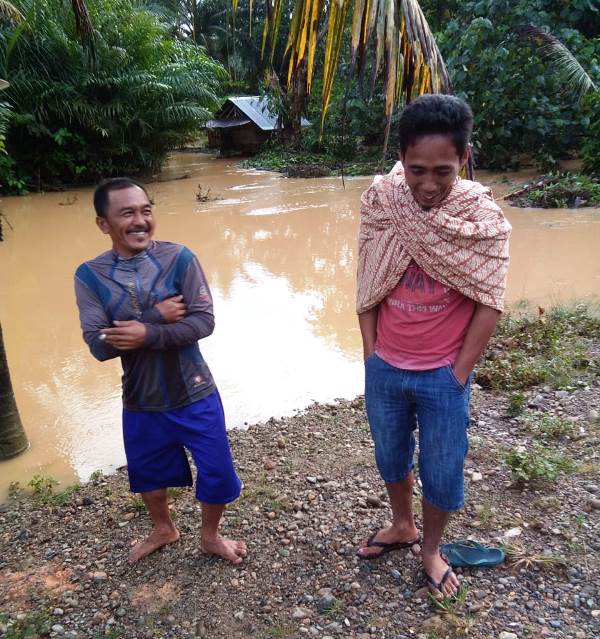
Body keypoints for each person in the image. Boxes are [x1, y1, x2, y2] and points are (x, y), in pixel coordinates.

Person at [355, 94, 511, 597]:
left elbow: (489, 299)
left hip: (443, 374)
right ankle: (403, 525)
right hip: (386, 368)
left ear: (463, 159)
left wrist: (459, 372)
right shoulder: (382, 202)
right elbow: (367, 282)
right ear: (401, 158)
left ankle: (431, 549)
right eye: (416, 169)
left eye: (442, 171)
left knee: (443, 471)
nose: (427, 184)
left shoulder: (481, 219)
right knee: (390, 456)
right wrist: (371, 354)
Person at [75, 177, 247, 565]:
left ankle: (210, 536)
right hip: (141, 398)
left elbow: (203, 323)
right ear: (103, 224)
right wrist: (156, 317)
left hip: (195, 391)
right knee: (149, 475)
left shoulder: (179, 258)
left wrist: (142, 332)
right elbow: (98, 345)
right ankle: (164, 528)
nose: (140, 221)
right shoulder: (89, 276)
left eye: (146, 210)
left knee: (217, 471)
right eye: (127, 214)